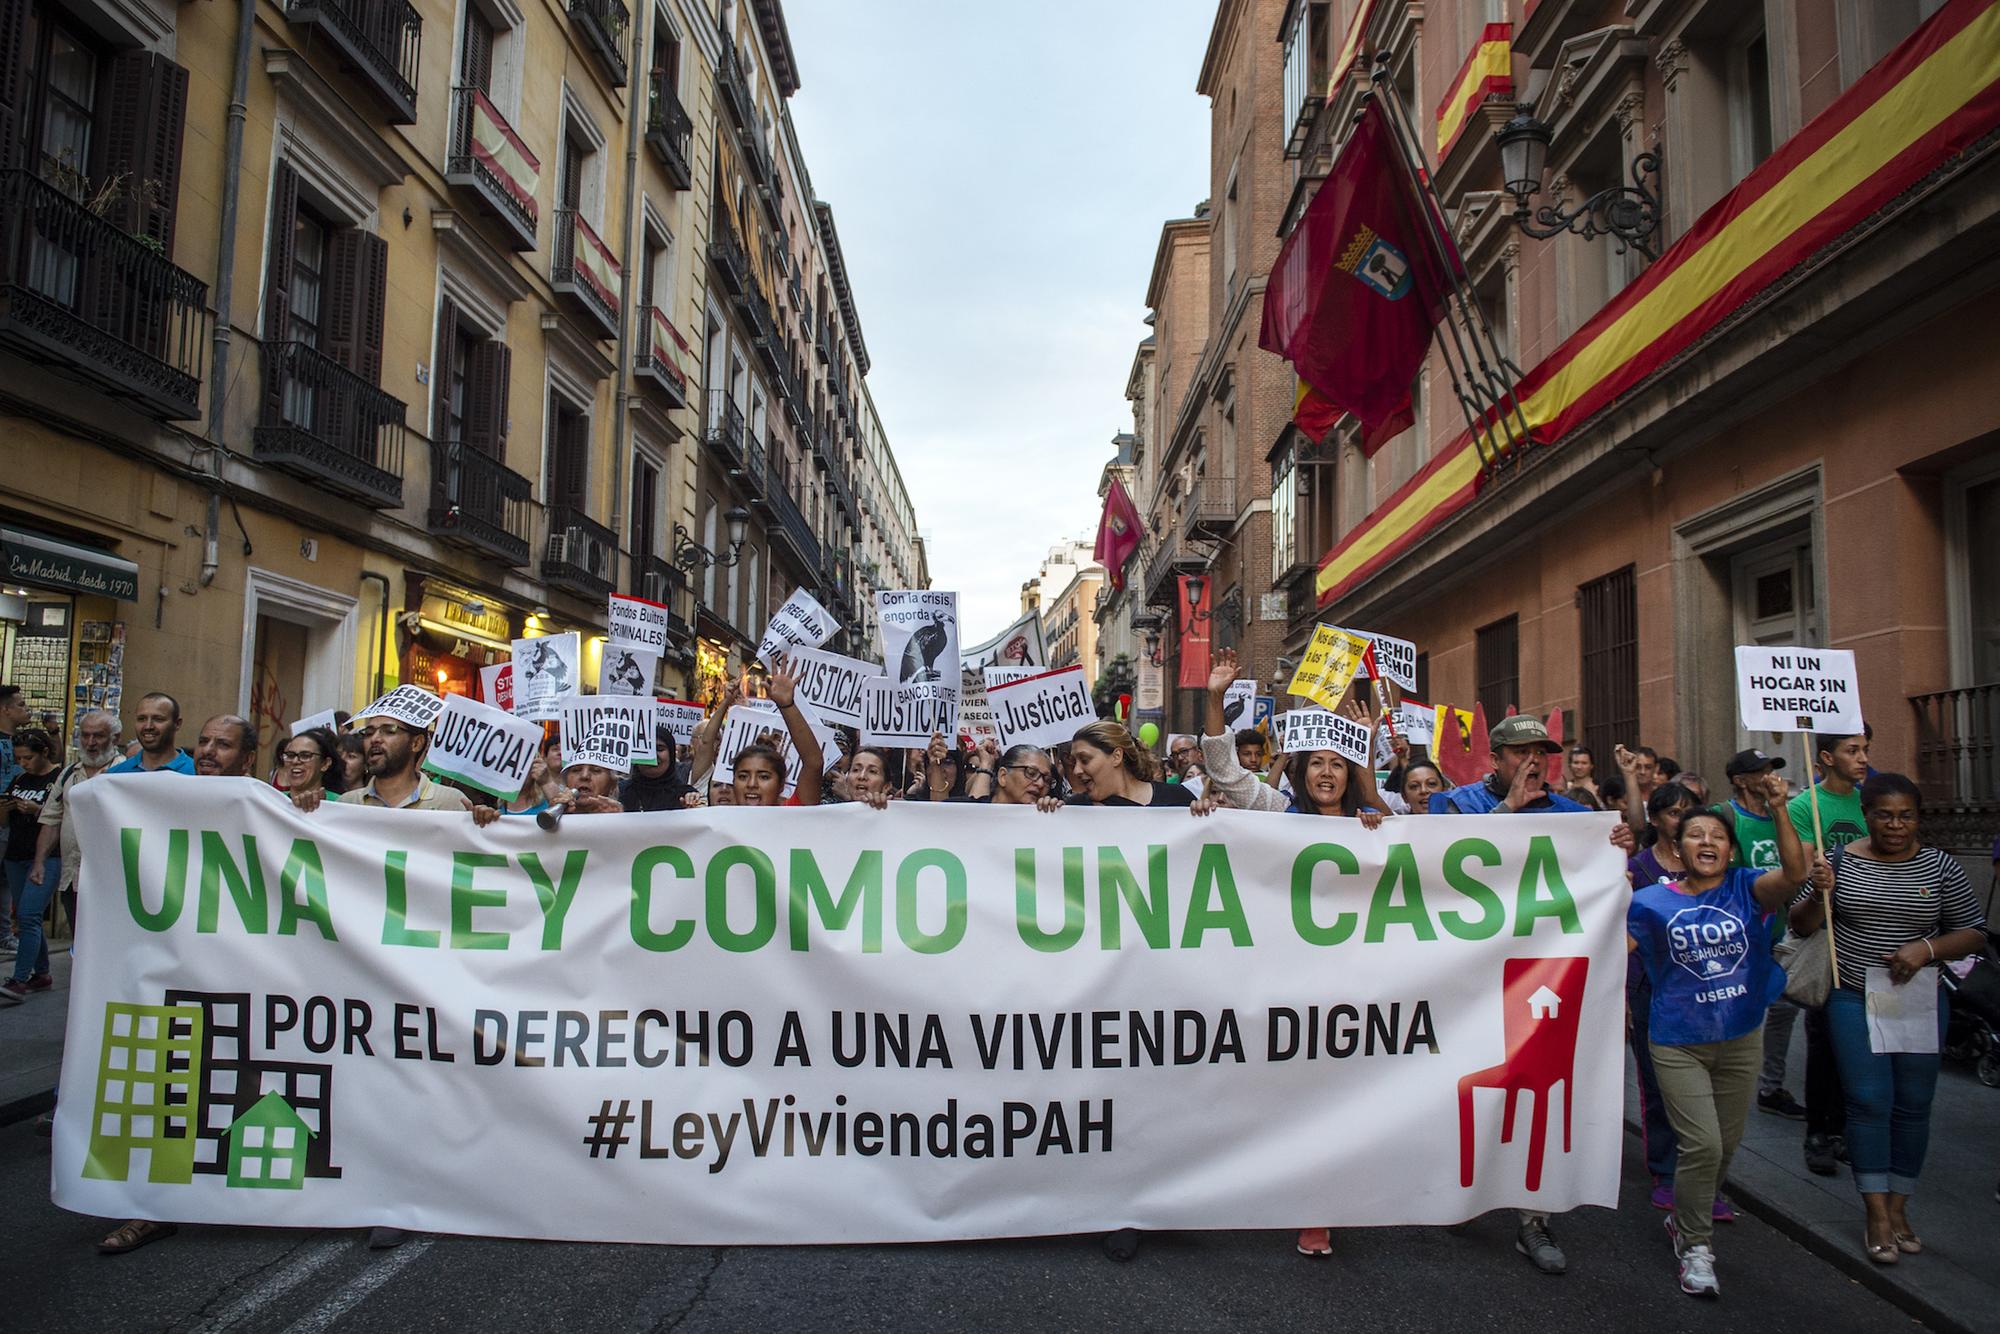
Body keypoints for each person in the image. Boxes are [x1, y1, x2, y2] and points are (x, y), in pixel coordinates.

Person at [1430, 713, 1635, 1276]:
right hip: (1469, 979)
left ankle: (1532, 1219)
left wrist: (1616, 842)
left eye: (1541, 751)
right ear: (1494, 760)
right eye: (1520, 753)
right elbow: (1439, 862)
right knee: (1467, 1085)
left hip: (1537, 979)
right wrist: (1510, 813)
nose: (1533, 762)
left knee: (1532, 1086)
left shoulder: (1572, 814)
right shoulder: (1457, 804)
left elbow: (1610, 874)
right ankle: (1465, 1190)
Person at [1788, 773, 1989, 1266]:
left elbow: (1974, 932)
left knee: (1914, 1104)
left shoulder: (1941, 866)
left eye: (1906, 816)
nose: (1895, 825)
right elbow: (1800, 924)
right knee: (1868, 1102)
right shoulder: (1838, 861)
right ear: (1867, 815)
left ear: (1918, 818)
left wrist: (1927, 948)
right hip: (1853, 996)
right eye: (1884, 815)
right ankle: (1875, 1211)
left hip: (1918, 1000)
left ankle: (1900, 1207)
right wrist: (1820, 893)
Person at [1626, 780, 1810, 1298]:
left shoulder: (1748, 887)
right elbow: (1613, 945)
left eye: (1717, 835)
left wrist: (1779, 809)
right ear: (1678, 849)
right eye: (1694, 834)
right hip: (1677, 1039)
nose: (1706, 841)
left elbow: (1796, 875)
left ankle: (1683, 1219)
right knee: (1701, 1143)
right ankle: (1695, 1245)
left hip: (1739, 1034)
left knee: (1724, 1146)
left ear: (1730, 849)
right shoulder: (1650, 900)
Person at [1624, 784, 1720, 1218]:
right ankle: (1665, 1171)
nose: (1681, 821)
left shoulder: (1709, 868)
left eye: (1689, 813)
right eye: (1674, 813)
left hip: (1703, 993)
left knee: (1708, 1090)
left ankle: (1703, 1179)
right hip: (1651, 990)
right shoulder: (1638, 868)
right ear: (1657, 819)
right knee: (1658, 1084)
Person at [1790, 730, 1870, 1178]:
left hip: (1870, 938)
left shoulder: (1872, 800)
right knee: (1824, 1037)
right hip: (1828, 934)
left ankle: (1849, 1129)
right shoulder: (1805, 807)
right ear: (1825, 757)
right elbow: (1798, 868)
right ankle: (1818, 1130)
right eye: (1852, 750)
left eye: (1865, 750)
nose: (1861, 759)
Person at [1719, 750, 1806, 1122]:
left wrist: (1781, 808)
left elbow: (1796, 864)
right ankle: (1725, 1077)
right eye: (1762, 771)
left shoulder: (1781, 814)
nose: (1770, 775)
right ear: (1740, 780)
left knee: (1784, 1007)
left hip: (1779, 929)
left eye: (1772, 769)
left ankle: (1771, 1085)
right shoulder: (1725, 816)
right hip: (1739, 933)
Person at [28, 709, 120, 939]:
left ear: (114, 738)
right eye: (85, 735)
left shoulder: (125, 772)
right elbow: (51, 818)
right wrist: (39, 862)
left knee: (106, 939)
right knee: (79, 939)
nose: (90, 742)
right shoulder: (69, 773)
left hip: (109, 878)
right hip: (72, 876)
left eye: (98, 736)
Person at [0, 730, 61, 998]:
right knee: (28, 917)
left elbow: (61, 817)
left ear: (44, 753)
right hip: (16, 854)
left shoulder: (58, 778)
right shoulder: (19, 778)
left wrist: (37, 811)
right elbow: (5, 822)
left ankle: (20, 977)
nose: (23, 763)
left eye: (28, 757)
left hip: (48, 856)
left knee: (28, 915)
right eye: (19, 758)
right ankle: (42, 972)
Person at [1063, 720, 1193, 809]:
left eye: (1085, 760)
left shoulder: (1177, 799)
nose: (1076, 771)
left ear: (1117, 756)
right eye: (1074, 762)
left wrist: (1205, 814)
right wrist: (1048, 815)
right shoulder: (1076, 808)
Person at [108, 693, 195, 774]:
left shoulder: (196, 774)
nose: (148, 726)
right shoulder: (116, 775)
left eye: (158, 719)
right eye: (142, 719)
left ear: (177, 724)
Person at [619, 727, 695, 812]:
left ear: (671, 754)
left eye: (659, 749)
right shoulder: (619, 793)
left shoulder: (686, 795)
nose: (653, 756)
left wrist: (694, 805)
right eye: (647, 749)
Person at [274, 727, 343, 802]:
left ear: (325, 764)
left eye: (305, 755)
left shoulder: (341, 803)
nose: (295, 761)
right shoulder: (273, 801)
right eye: (290, 755)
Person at [905, 732, 967, 801]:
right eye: (930, 762)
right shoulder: (912, 803)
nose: (941, 769)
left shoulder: (971, 806)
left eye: (947, 762)